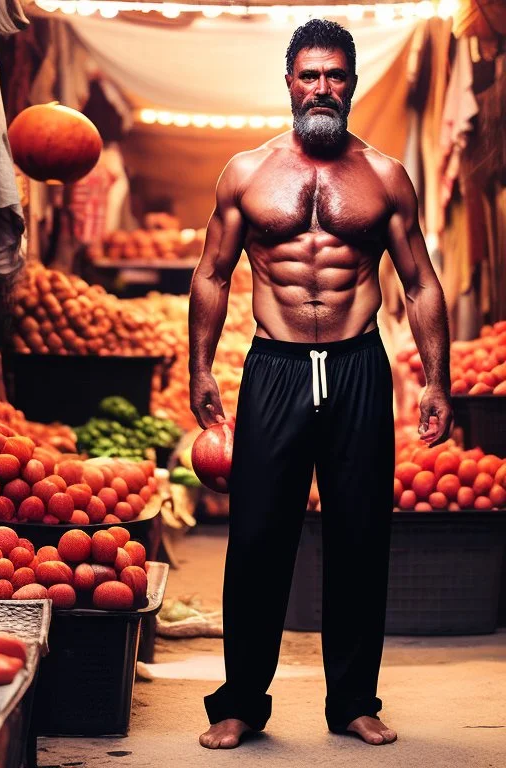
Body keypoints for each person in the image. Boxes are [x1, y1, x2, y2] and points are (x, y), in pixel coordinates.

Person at [188, 18, 452, 750]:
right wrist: (201, 365)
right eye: (310, 74)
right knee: (258, 538)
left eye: (336, 75)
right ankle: (240, 702)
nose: (322, 88)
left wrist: (438, 379)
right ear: (289, 81)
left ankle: (353, 703)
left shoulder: (385, 176)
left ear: (353, 83)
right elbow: (211, 273)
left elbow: (421, 284)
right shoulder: (245, 172)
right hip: (272, 369)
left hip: (358, 364)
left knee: (361, 536)